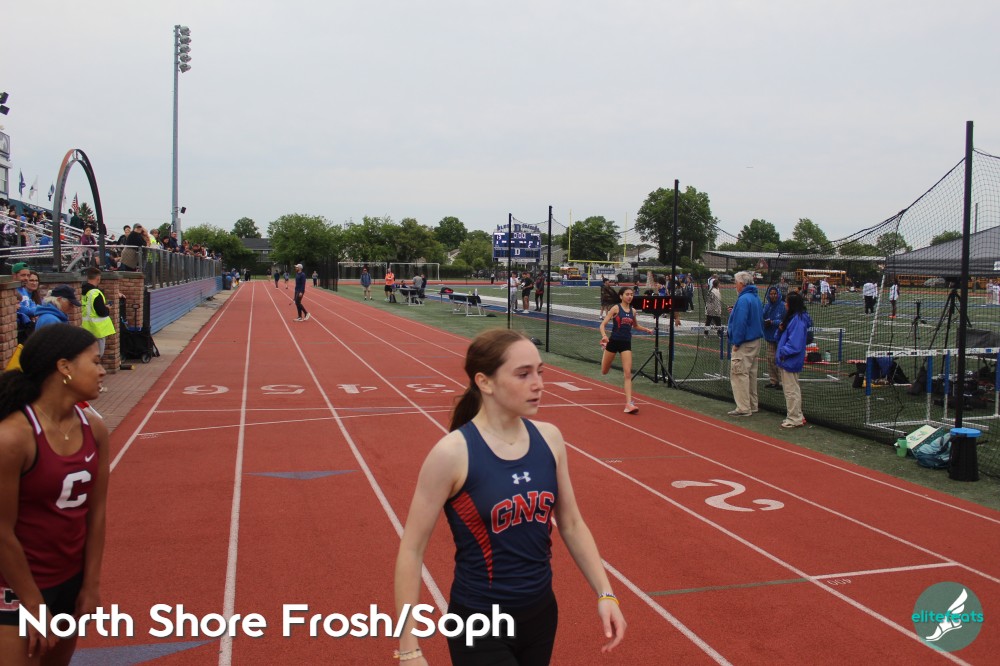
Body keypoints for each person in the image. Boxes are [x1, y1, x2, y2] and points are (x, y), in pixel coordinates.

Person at [394, 329, 626, 664]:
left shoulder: (550, 439)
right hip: (479, 622)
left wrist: (606, 594)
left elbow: (572, 524)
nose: (538, 384)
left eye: (540, 372)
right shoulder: (452, 454)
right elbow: (412, 549)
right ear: (485, 382)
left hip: (540, 617)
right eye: (523, 374)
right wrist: (409, 648)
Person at [0, 325, 109, 664]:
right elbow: (1, 531)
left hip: (69, 582)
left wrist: (90, 584)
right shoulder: (13, 437)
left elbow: (96, 512)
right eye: (95, 362)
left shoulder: (94, 428)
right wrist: (34, 604)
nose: (103, 370)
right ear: (64, 367)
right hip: (16, 588)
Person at [600, 287, 654, 414]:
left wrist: (646, 330)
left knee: (628, 373)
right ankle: (604, 348)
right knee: (604, 371)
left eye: (631, 294)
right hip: (613, 342)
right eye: (627, 294)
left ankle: (629, 404)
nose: (630, 296)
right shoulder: (616, 308)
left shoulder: (633, 311)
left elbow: (635, 326)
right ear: (621, 296)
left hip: (626, 344)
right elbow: (602, 325)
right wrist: (604, 336)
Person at [727, 271, 764, 417]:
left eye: (736, 283)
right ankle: (752, 404)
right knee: (751, 374)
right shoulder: (755, 298)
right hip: (755, 341)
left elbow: (740, 323)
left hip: (744, 342)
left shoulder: (743, 299)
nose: (735, 285)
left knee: (739, 374)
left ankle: (743, 407)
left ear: (741, 284)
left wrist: (737, 342)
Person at [775, 292, 812, 428]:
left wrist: (783, 352)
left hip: (790, 360)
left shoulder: (798, 320)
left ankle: (794, 418)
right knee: (792, 388)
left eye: (787, 302)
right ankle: (798, 415)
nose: (785, 304)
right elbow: (781, 337)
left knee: (791, 389)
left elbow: (795, 344)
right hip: (788, 359)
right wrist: (780, 330)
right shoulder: (793, 318)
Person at [80, 268, 115, 367]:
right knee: (98, 354)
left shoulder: (81, 291)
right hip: (98, 329)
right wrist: (107, 308)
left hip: (85, 327)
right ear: (98, 278)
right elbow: (101, 312)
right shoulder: (96, 293)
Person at [761, 285, 786, 390]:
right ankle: (773, 381)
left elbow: (785, 321)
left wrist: (773, 322)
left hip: (780, 337)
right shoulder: (767, 306)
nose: (773, 296)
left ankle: (783, 382)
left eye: (775, 294)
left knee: (780, 360)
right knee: (770, 359)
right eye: (771, 294)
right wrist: (765, 322)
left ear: (778, 294)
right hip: (770, 337)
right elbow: (762, 317)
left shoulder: (783, 306)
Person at [12, 263, 37, 344]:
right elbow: (25, 310)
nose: (26, 278)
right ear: (14, 275)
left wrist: (33, 310)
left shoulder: (24, 289)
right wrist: (36, 310)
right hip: (19, 331)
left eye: (28, 275)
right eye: (23, 275)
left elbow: (32, 304)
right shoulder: (13, 291)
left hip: (27, 330)